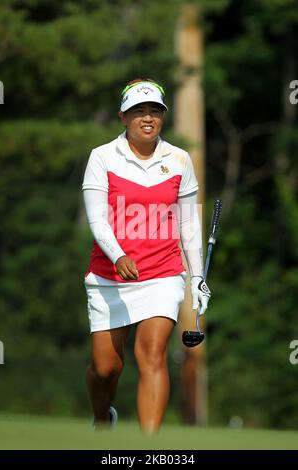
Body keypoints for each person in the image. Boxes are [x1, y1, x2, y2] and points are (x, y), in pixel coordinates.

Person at [82, 78, 211, 433]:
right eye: (139, 111)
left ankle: (148, 446)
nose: (148, 117)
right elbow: (96, 218)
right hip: (109, 277)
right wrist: (118, 254)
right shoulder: (102, 157)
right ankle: (101, 416)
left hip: (163, 274)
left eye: (155, 110)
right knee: (106, 367)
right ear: (123, 117)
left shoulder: (180, 159)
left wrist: (197, 278)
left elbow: (188, 226)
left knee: (152, 354)